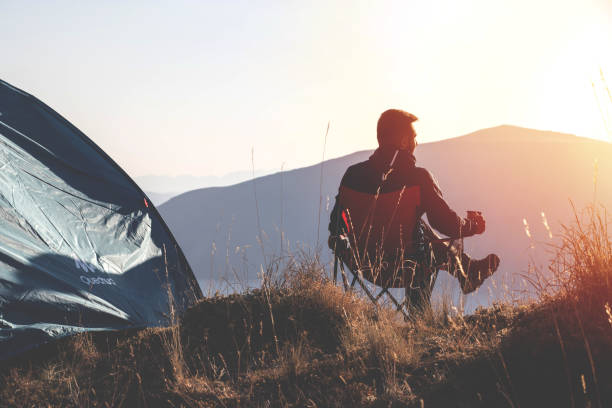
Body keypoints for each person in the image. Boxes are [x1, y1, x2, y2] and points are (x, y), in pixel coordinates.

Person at [328, 109, 500, 309]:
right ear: (403, 142)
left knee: (416, 226)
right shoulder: (417, 177)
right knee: (422, 242)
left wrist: (344, 245)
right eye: (414, 138)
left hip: (362, 265)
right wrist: (472, 226)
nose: (416, 143)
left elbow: (337, 225)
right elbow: (446, 224)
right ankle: (422, 314)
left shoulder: (352, 175)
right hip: (406, 269)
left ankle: (468, 271)